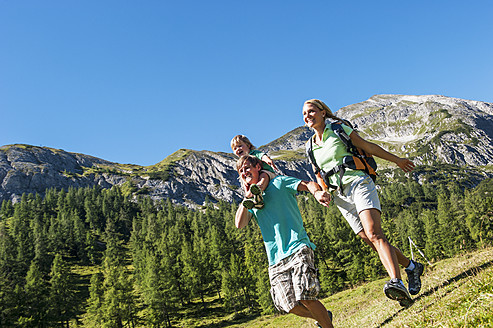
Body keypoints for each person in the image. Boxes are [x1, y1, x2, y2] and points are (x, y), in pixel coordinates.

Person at [302, 99, 424, 307]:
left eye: (311, 111)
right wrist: (323, 192)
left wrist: (397, 160)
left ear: (323, 112)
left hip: (359, 182)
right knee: (369, 240)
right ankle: (412, 267)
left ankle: (397, 282)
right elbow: (317, 172)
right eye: (304, 114)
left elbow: (367, 146)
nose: (307, 116)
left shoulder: (338, 128)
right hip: (340, 196)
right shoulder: (310, 146)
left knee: (375, 233)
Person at [235, 155, 334, 328]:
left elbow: (307, 184)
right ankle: (324, 316)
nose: (244, 172)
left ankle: (326, 325)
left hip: (297, 246)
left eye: (247, 167)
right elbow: (239, 224)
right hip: (275, 259)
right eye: (240, 171)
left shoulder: (279, 183)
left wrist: (317, 192)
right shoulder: (252, 201)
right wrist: (247, 197)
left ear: (258, 167)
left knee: (305, 296)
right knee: (287, 305)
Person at [231, 135, 278, 209]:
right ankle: (252, 200)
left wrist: (268, 160)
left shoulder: (254, 153)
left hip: (267, 173)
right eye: (235, 148)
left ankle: (259, 190)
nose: (238, 149)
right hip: (254, 178)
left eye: (240, 146)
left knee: (263, 175)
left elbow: (262, 156)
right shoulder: (242, 162)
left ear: (248, 145)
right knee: (245, 184)